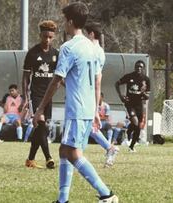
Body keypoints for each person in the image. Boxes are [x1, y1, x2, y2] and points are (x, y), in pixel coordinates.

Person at [32, 2, 118, 203]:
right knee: (64, 150)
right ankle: (62, 200)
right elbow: (96, 81)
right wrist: (96, 108)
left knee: (72, 153)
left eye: (64, 20)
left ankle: (107, 194)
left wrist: (41, 108)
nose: (64, 24)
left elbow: (56, 80)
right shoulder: (93, 47)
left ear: (70, 21)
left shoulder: (69, 47)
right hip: (87, 107)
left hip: (77, 108)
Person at [22, 20, 58, 169]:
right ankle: (48, 158)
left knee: (40, 129)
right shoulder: (32, 53)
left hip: (49, 96)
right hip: (36, 95)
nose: (47, 40)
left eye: (50, 37)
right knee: (41, 124)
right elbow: (25, 77)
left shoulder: (56, 54)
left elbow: (59, 77)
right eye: (45, 36)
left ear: (53, 37)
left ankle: (30, 159)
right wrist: (25, 97)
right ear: (40, 35)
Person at [85, 22, 119, 167]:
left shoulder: (92, 51)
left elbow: (97, 80)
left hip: (86, 91)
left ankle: (109, 148)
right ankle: (109, 148)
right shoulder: (99, 52)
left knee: (86, 126)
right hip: (88, 92)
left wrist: (95, 104)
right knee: (87, 127)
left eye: (87, 34)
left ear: (92, 34)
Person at [115, 60, 150, 152]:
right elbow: (117, 83)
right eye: (137, 66)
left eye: (141, 67)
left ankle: (132, 146)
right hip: (130, 103)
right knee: (135, 122)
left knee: (138, 126)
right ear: (135, 67)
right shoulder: (129, 76)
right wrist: (121, 96)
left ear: (143, 69)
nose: (139, 68)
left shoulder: (146, 80)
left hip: (139, 105)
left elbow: (147, 97)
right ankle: (129, 131)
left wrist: (143, 93)